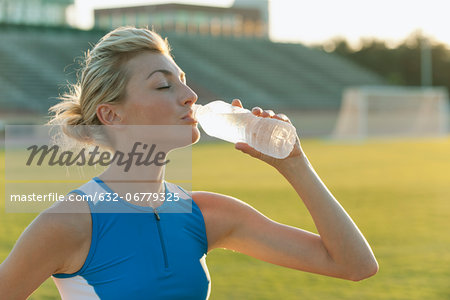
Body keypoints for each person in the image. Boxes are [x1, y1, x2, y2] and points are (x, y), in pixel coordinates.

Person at [0, 27, 378, 299]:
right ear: (112, 116)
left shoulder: (208, 214)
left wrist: (294, 164)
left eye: (183, 80)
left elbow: (354, 265)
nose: (190, 95)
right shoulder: (69, 222)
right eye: (164, 85)